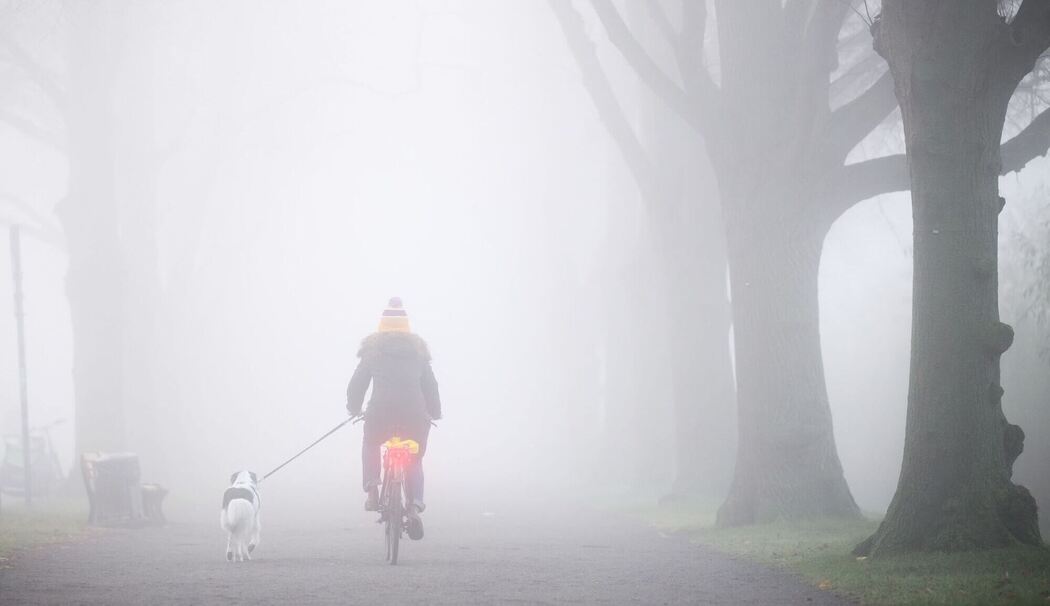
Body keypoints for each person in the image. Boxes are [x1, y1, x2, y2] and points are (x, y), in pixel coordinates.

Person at [346, 297, 441, 540]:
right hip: (414, 416)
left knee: (371, 443)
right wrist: (435, 412)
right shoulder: (419, 354)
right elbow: (431, 386)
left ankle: (372, 489)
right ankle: (414, 505)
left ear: (381, 326)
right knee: (415, 456)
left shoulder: (373, 352)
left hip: (381, 413)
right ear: (406, 328)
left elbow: (357, 384)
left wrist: (354, 408)